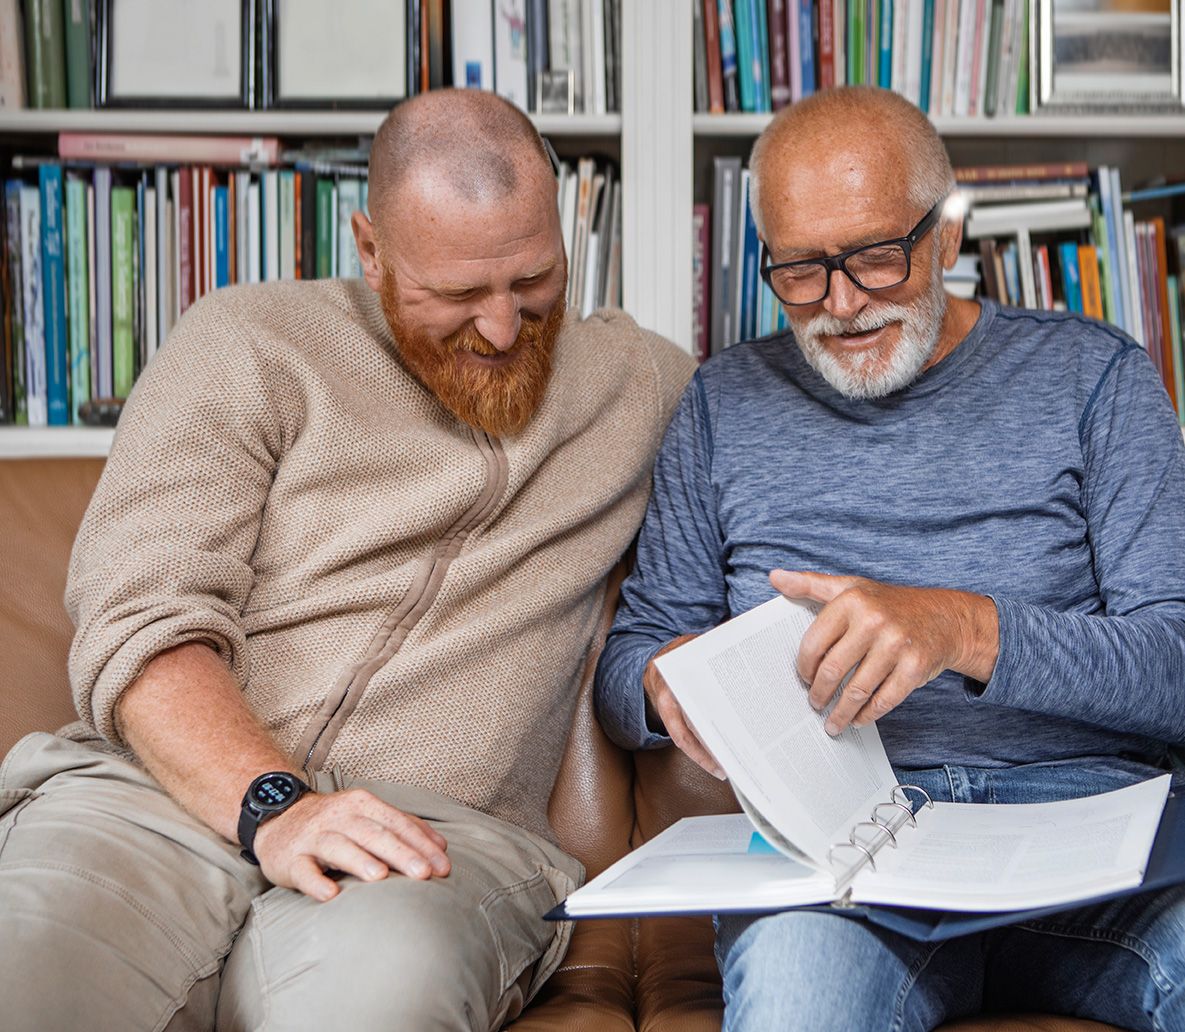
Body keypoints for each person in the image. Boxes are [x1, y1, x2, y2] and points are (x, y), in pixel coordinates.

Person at [594, 85, 1185, 1032]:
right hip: (851, 857)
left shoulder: (1094, 377)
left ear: (947, 233)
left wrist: (963, 628)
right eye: (799, 270)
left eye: (876, 257)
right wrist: (663, 683)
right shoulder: (722, 404)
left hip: (1092, 838)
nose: (841, 304)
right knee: (792, 987)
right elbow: (628, 669)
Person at [0, 89, 694, 1032]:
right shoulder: (248, 343)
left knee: (382, 992)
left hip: (436, 840)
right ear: (371, 250)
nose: (501, 329)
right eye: (456, 295)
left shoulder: (640, 382)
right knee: (28, 962)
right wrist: (273, 806)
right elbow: (142, 613)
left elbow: (791, 437)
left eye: (532, 280)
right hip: (146, 800)